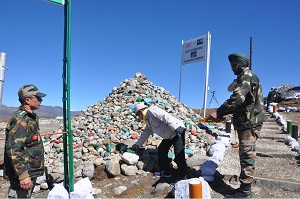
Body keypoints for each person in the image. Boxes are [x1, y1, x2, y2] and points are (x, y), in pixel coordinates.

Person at [208, 53, 264, 198]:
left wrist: (218, 111)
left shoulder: (247, 76)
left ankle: (245, 193)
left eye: (234, 66)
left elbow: (237, 98)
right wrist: (222, 115)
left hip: (249, 123)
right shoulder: (243, 77)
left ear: (240, 65)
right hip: (246, 122)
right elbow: (241, 103)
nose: (232, 69)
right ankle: (243, 189)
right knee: (245, 155)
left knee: (247, 156)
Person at [4, 84, 46, 198]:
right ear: (27, 100)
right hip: (23, 172)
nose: (40, 100)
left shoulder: (30, 117)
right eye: (37, 97)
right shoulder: (21, 119)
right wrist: (23, 175)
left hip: (30, 169)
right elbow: (14, 149)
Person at [132, 103, 187, 181]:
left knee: (179, 155)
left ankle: (183, 178)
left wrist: (177, 127)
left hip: (177, 131)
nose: (138, 117)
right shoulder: (148, 121)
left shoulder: (152, 111)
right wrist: (137, 144)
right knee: (161, 150)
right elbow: (145, 134)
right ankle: (166, 172)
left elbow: (165, 116)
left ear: (140, 111)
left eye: (138, 115)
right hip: (168, 136)